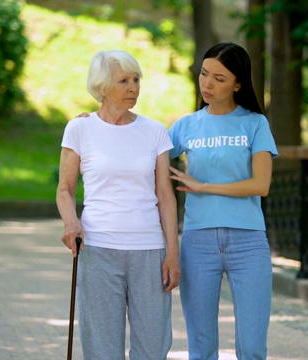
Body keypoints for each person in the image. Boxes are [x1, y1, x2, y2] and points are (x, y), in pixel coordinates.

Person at [56, 49, 180, 360]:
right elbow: (65, 189)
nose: (133, 87)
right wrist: (72, 222)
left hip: (150, 251)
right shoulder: (80, 129)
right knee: (102, 349)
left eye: (136, 79)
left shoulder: (154, 131)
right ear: (101, 86)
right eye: (123, 80)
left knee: (153, 347)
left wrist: (173, 252)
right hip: (98, 250)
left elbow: (165, 194)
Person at [167, 42, 278, 360]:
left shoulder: (255, 124)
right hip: (198, 242)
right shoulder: (186, 126)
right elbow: (146, 153)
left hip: (248, 242)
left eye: (219, 78)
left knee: (253, 347)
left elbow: (261, 184)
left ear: (238, 84)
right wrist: (97, 124)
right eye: (204, 74)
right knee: (201, 348)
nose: (207, 84)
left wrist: (204, 186)